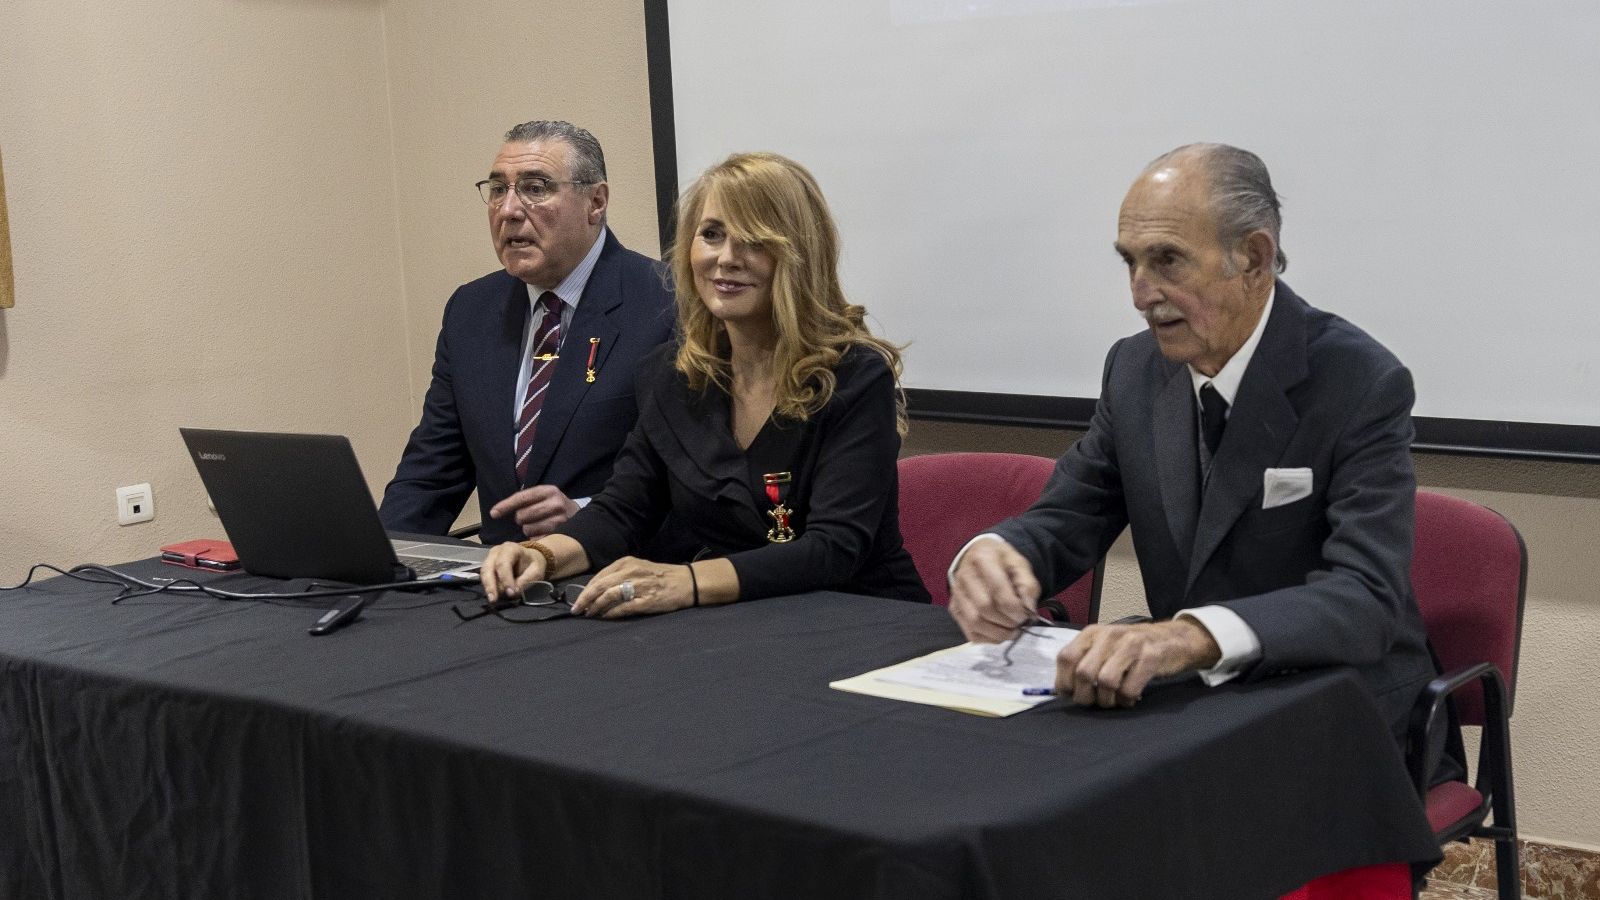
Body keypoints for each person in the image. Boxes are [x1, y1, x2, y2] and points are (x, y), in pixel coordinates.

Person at [948, 143, 1435, 737]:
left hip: (1335, 704)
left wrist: (1188, 637)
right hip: (1195, 705)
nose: (1140, 292)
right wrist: (1000, 554)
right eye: (1129, 262)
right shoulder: (1133, 370)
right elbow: (1070, 515)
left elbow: (1364, 598)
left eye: (1167, 261)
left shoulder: (1359, 380)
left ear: (1254, 258)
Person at [481, 152, 930, 614]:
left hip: (862, 618)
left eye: (754, 240)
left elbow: (833, 550)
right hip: (742, 621)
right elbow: (623, 511)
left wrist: (686, 581)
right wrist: (541, 555)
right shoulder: (672, 374)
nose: (726, 258)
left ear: (798, 254)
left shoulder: (855, 375)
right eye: (711, 235)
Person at [379, 121, 675, 545]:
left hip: (616, 580)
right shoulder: (471, 311)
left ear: (596, 202)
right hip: (500, 590)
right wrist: (372, 563)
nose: (509, 210)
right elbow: (431, 475)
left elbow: (687, 486)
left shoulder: (665, 304)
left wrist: (588, 516)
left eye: (535, 188)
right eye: (498, 189)